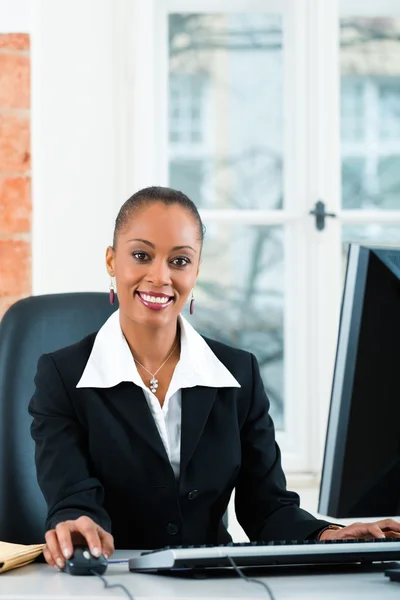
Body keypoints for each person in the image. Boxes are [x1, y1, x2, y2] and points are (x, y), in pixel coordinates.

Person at [29, 186, 400, 570]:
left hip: (211, 582)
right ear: (111, 260)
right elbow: (73, 498)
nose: (160, 276)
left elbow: (268, 509)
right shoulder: (62, 376)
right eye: (141, 255)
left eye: (180, 260)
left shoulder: (238, 375)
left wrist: (327, 537)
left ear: (197, 270)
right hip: (109, 579)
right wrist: (77, 526)